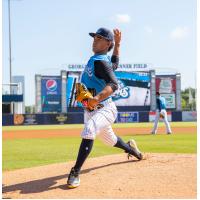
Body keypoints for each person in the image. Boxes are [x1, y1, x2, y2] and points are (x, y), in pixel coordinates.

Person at [67, 27, 143, 189]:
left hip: (105, 108)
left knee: (89, 130)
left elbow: (114, 84)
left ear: (107, 43)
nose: (95, 39)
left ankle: (75, 172)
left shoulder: (101, 62)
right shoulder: (99, 60)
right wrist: (118, 45)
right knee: (110, 140)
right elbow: (114, 63)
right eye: (94, 37)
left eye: (99, 38)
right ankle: (133, 150)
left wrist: (96, 98)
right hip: (90, 109)